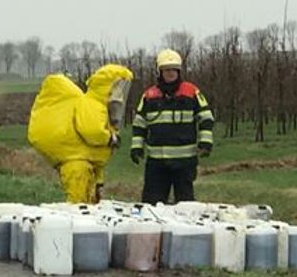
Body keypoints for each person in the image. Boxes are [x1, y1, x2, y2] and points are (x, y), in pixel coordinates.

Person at [26, 64, 133, 203]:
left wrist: (99, 179)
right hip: (76, 164)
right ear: (108, 86)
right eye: (118, 86)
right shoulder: (93, 106)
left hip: (83, 163)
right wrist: (109, 138)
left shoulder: (99, 106)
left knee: (88, 202)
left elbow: (95, 156)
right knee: (78, 204)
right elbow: (92, 132)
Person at [130, 49, 214, 204]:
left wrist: (206, 142)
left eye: (174, 70)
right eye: (167, 70)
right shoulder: (149, 96)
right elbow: (139, 124)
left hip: (184, 161)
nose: (171, 73)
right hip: (157, 162)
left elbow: (206, 117)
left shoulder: (191, 92)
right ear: (160, 72)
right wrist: (136, 147)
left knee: (186, 206)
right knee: (151, 205)